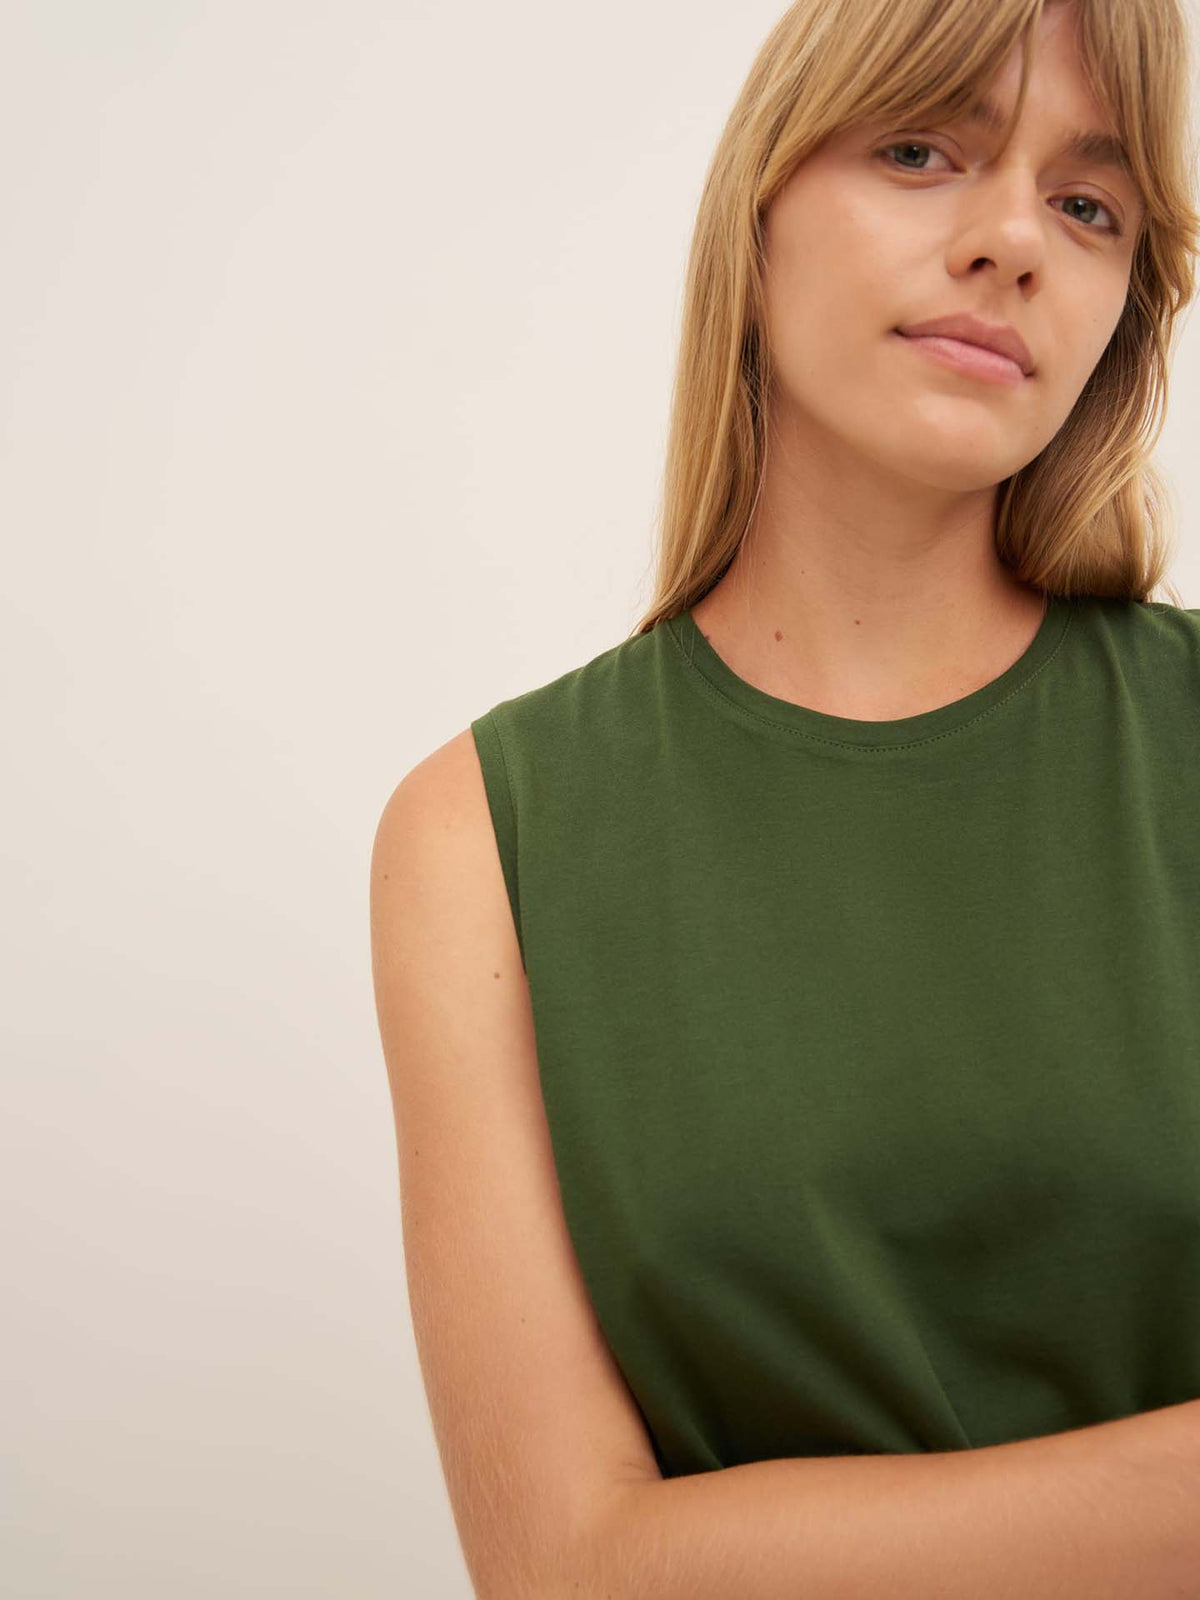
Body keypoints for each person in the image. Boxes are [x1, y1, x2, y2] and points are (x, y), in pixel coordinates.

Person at [370, 0, 1200, 1594]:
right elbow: (566, 1567)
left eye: (1088, 205)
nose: (1014, 238)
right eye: (920, 149)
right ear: (756, 215)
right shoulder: (479, 838)